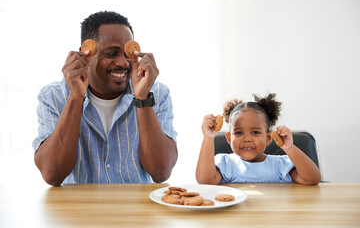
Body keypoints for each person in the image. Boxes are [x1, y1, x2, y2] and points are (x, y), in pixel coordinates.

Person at [33, 11, 178, 186]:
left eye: (127, 54)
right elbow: (52, 174)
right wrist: (75, 98)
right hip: (77, 209)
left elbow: (161, 172)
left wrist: (142, 98)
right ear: (86, 54)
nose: (122, 63)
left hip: (137, 210)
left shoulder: (156, 93)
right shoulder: (54, 96)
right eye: (111, 54)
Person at [196, 93, 321, 185]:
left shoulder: (280, 165)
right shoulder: (225, 164)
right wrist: (208, 138)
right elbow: (205, 181)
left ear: (268, 138)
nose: (247, 139)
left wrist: (289, 148)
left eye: (255, 132)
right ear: (229, 138)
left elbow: (312, 179)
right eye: (239, 133)